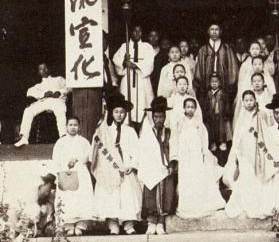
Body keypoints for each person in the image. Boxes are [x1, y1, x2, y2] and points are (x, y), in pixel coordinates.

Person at [91, 93, 142, 235]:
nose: (119, 115)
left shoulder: (130, 131)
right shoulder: (104, 131)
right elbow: (98, 149)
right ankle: (113, 224)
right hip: (109, 168)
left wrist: (131, 164)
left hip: (125, 166)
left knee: (127, 196)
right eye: (116, 112)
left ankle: (128, 224)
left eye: (122, 112)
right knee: (110, 196)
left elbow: (136, 150)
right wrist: (108, 166)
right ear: (112, 113)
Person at [225, 90, 278, 218]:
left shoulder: (262, 115)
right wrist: (237, 153)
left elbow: (267, 134)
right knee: (247, 175)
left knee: (258, 176)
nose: (249, 103)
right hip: (244, 152)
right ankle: (246, 202)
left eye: (251, 100)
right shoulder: (241, 118)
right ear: (243, 102)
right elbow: (237, 136)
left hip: (258, 150)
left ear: (255, 101)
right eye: (246, 100)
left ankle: (259, 203)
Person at [170, 98, 225, 218]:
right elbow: (175, 138)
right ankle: (186, 206)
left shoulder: (198, 124)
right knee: (186, 179)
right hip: (184, 155)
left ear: (195, 109)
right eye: (187, 107)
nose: (190, 109)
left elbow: (203, 139)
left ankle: (198, 204)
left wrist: (204, 152)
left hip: (196, 155)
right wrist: (175, 155)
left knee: (196, 177)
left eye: (192, 107)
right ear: (184, 108)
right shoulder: (180, 123)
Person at [137, 97, 177, 235]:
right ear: (152, 118)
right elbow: (142, 150)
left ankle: (161, 222)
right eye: (155, 117)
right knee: (150, 194)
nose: (158, 119)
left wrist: (172, 163)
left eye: (161, 116)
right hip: (151, 167)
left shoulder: (170, 132)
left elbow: (174, 148)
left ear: (165, 117)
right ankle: (151, 222)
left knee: (166, 194)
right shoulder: (147, 133)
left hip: (165, 169)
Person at [52, 117, 93, 236]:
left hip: (81, 173)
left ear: (79, 127)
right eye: (70, 125)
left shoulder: (83, 141)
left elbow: (89, 155)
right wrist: (59, 172)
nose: (73, 127)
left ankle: (80, 225)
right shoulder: (61, 142)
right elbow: (56, 159)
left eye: (75, 125)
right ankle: (68, 226)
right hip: (66, 173)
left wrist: (78, 159)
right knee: (67, 198)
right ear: (66, 126)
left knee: (82, 198)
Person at [16, 62, 69, 147]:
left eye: (45, 68)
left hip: (56, 101)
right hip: (44, 102)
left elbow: (69, 87)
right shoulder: (39, 85)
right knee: (28, 110)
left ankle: (63, 137)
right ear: (38, 72)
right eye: (41, 69)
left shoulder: (59, 79)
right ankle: (24, 137)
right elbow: (29, 92)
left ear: (49, 69)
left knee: (60, 110)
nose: (43, 70)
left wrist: (60, 92)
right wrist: (43, 94)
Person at [113, 24, 155, 125]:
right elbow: (116, 59)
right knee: (127, 102)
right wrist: (123, 62)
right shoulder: (124, 46)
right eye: (135, 31)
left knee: (143, 103)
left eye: (139, 31)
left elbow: (149, 63)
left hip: (142, 79)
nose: (137, 33)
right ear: (131, 32)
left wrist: (135, 65)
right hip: (128, 79)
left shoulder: (147, 47)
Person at [194, 23, 239, 106]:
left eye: (216, 29)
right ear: (208, 32)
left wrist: (230, 83)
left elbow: (233, 69)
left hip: (223, 84)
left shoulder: (226, 48)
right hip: (207, 84)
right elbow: (199, 69)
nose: (214, 32)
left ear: (220, 32)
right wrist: (202, 84)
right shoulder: (203, 49)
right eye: (212, 29)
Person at [204, 73, 231, 152]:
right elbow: (205, 105)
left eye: (216, 81)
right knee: (211, 129)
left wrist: (227, 113)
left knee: (222, 129)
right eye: (212, 82)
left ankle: (223, 142)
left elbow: (227, 104)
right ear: (209, 83)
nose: (214, 83)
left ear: (219, 83)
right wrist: (205, 114)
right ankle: (212, 143)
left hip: (221, 114)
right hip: (211, 115)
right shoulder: (208, 94)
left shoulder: (223, 93)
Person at [103, 31, 118, 96]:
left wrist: (114, 87)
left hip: (108, 93)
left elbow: (112, 77)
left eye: (106, 41)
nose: (105, 43)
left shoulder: (107, 60)